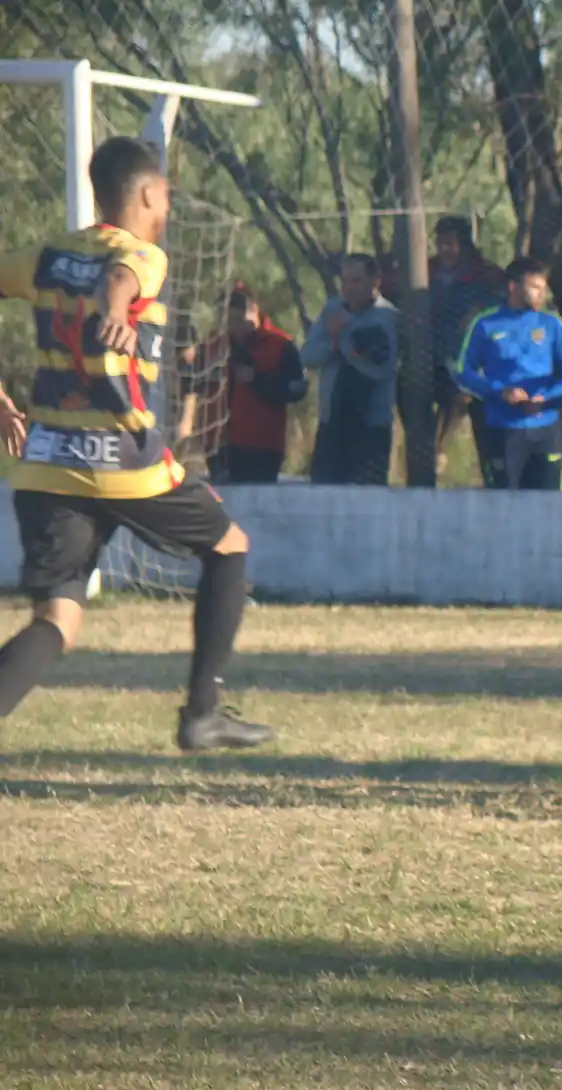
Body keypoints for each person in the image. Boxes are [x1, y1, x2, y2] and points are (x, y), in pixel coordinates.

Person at [0, 136, 271, 750]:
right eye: (166, 195)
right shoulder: (144, 255)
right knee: (229, 546)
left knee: (58, 621)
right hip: (123, 460)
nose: (168, 207)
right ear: (148, 193)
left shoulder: (44, 255)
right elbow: (120, 280)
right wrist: (114, 307)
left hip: (45, 465)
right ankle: (203, 712)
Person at [452, 257, 562, 490]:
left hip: (544, 428)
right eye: (534, 287)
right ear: (513, 287)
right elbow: (463, 371)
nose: (542, 294)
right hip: (502, 428)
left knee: (549, 502)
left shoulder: (553, 324)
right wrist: (499, 392)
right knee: (503, 503)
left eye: (544, 288)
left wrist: (547, 398)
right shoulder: (486, 324)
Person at [422, 216, 507, 488]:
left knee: (476, 412)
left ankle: (494, 477)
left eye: (451, 243)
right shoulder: (427, 271)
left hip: (476, 360)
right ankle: (430, 462)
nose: (445, 249)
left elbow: (501, 304)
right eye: (440, 243)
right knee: (447, 400)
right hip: (435, 356)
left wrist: (477, 314)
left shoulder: (484, 274)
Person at [303, 254, 399, 486]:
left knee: (367, 496)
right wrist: (336, 343)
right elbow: (308, 356)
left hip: (371, 426)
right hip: (332, 422)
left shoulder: (387, 317)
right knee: (324, 491)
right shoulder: (332, 309)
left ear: (375, 282)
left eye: (356, 281)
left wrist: (342, 342)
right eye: (345, 281)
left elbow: (379, 367)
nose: (348, 288)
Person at [215, 283, 307, 484]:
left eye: (239, 319)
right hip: (221, 445)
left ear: (254, 312)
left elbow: (298, 390)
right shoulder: (219, 346)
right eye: (229, 321)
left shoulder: (280, 345)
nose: (234, 327)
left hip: (263, 445)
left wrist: (257, 381)